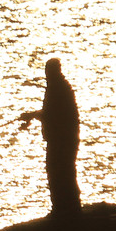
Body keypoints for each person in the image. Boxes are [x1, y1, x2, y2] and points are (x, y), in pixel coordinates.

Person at [19, 57, 80, 216]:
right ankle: (66, 209)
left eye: (48, 71)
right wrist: (32, 116)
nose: (47, 74)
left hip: (62, 140)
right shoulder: (59, 87)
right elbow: (50, 113)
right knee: (62, 173)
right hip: (63, 138)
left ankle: (65, 210)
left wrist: (31, 115)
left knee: (60, 173)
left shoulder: (57, 89)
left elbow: (52, 114)